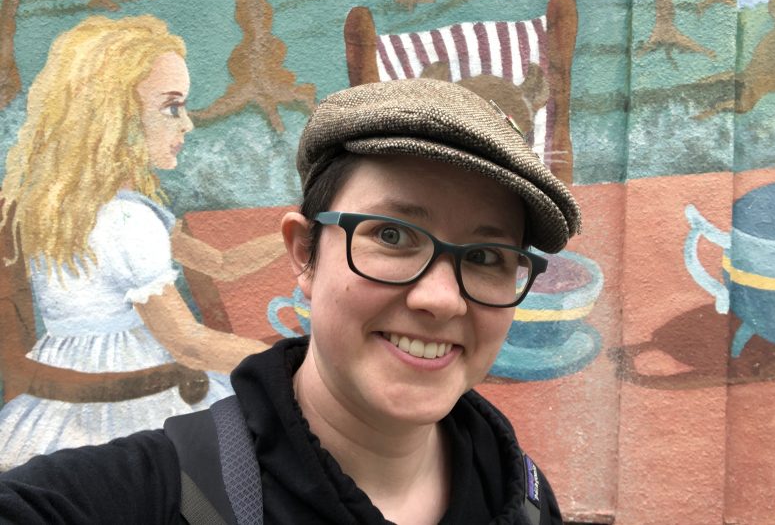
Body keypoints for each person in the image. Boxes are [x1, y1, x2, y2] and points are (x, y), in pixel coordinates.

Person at [0, 77, 580, 524]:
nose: (441, 299)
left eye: (485, 257)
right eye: (392, 235)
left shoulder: (524, 497)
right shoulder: (156, 493)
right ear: (305, 254)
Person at [0, 16, 278, 470]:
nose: (187, 124)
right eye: (172, 108)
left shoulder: (65, 207)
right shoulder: (127, 220)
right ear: (117, 117)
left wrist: (293, 237)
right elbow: (188, 345)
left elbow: (221, 263)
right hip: (133, 392)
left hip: (62, 390)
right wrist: (292, 361)